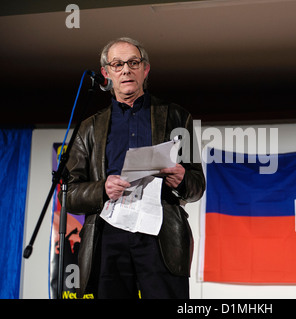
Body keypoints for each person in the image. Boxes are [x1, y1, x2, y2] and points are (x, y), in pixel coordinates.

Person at [62, 37, 205, 299]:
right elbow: (69, 195)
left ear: (145, 69)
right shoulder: (88, 128)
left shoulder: (175, 116)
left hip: (161, 235)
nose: (126, 69)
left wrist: (183, 178)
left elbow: (197, 187)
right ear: (106, 73)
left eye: (133, 62)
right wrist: (102, 188)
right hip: (108, 235)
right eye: (117, 64)